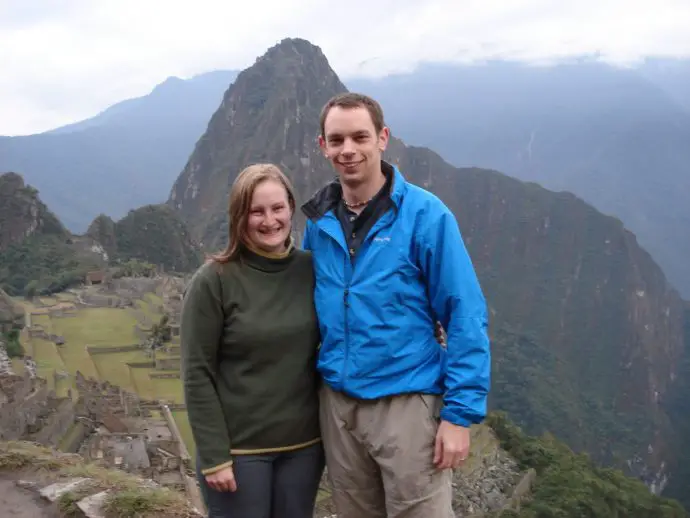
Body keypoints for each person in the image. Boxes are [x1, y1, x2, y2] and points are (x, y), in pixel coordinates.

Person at [301, 92, 491, 518]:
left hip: (405, 404)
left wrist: (459, 416)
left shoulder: (425, 216)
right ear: (323, 147)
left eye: (359, 137)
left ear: (382, 138)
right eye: (336, 140)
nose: (348, 150)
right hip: (339, 407)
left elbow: (464, 313)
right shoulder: (319, 223)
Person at [180, 164, 324, 518]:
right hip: (240, 452)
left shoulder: (312, 270)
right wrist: (215, 457)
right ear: (239, 217)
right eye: (256, 211)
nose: (269, 220)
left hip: (304, 447)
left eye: (277, 208)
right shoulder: (214, 280)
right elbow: (197, 372)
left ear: (291, 207)